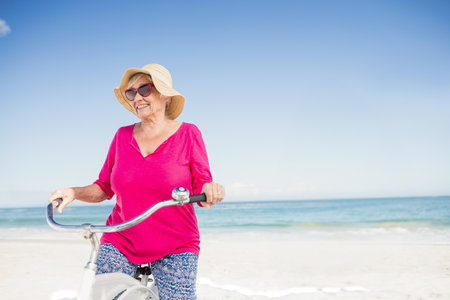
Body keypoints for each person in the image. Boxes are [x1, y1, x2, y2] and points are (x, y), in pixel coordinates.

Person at [48, 63, 225, 299]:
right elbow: (103, 188)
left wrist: (210, 190)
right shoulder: (121, 136)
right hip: (122, 237)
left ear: (164, 95)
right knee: (103, 295)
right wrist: (74, 191)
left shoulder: (188, 134)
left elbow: (201, 185)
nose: (136, 98)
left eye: (144, 89)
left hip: (176, 242)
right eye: (131, 93)